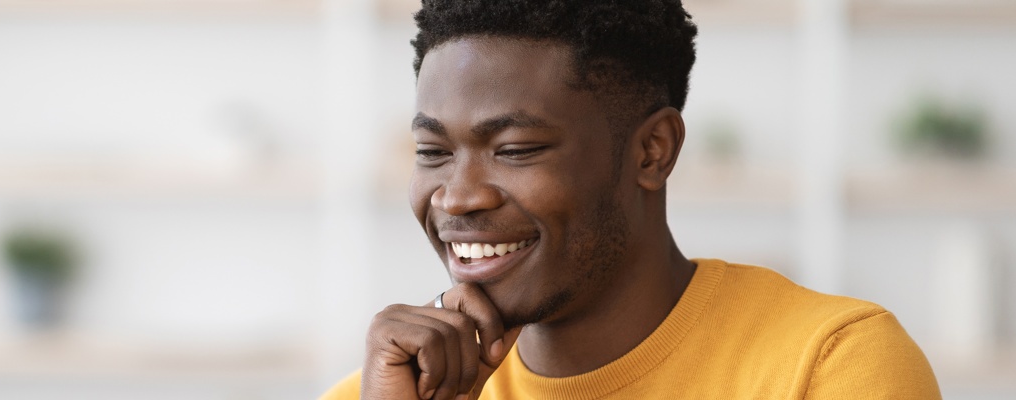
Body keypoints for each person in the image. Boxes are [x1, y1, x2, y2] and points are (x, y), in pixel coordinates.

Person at [319, 0, 941, 399]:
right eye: (432, 153)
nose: (457, 197)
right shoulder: (387, 393)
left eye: (514, 149)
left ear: (653, 151)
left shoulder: (830, 366)